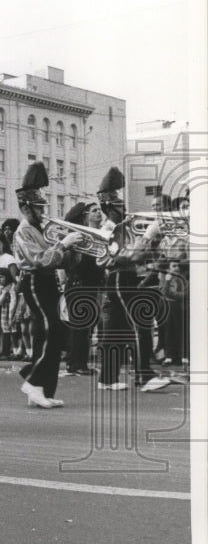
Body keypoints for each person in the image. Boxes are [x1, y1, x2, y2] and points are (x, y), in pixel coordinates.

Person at [11, 162, 84, 409]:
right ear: (25, 208)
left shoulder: (42, 228)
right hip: (33, 282)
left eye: (43, 206)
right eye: (38, 207)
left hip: (48, 281)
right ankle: (33, 382)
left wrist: (72, 248)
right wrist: (64, 245)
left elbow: (60, 259)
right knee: (51, 329)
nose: (43, 212)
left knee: (53, 332)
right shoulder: (23, 231)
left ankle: (43, 390)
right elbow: (40, 260)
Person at [94, 167, 171, 392]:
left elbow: (139, 256)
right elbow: (129, 256)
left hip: (125, 277)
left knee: (115, 330)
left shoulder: (122, 227)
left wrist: (153, 243)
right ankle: (144, 375)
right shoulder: (108, 229)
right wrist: (148, 235)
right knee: (141, 322)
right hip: (120, 277)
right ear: (108, 205)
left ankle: (107, 378)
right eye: (119, 204)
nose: (124, 208)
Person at [62, 202, 102, 375]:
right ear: (86, 216)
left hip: (90, 285)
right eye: (94, 211)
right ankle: (77, 364)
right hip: (80, 285)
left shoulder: (96, 236)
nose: (99, 213)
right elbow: (74, 263)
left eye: (100, 210)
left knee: (85, 326)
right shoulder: (81, 238)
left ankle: (76, 362)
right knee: (81, 326)